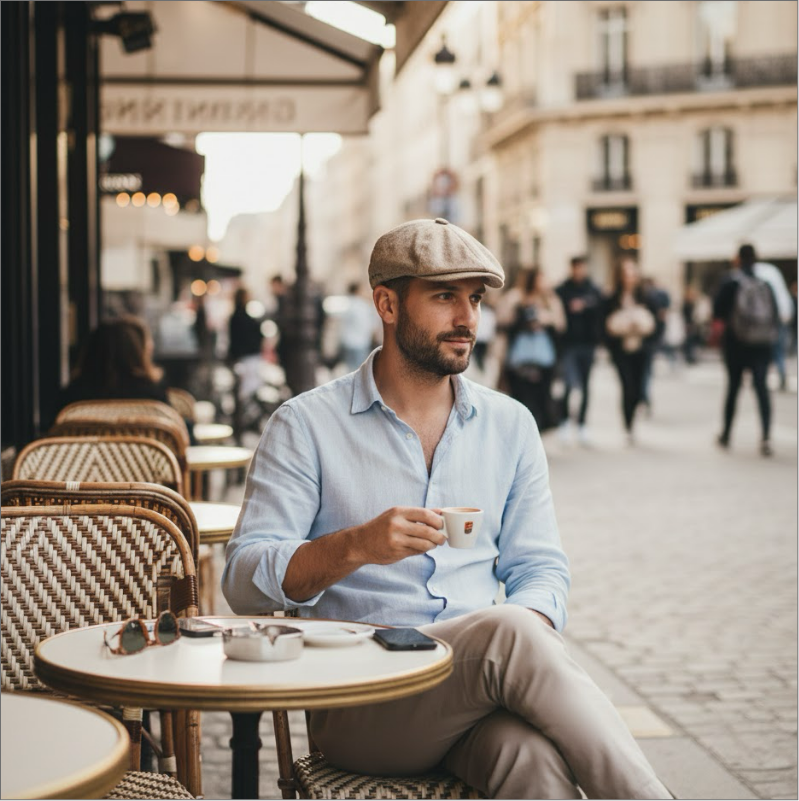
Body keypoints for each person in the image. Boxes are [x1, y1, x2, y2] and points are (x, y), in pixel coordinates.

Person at [223, 217, 671, 800]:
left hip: (472, 695)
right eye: (444, 297)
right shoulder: (306, 425)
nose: (468, 319)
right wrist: (356, 546)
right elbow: (242, 580)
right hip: (360, 701)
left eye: (475, 299)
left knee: (533, 761)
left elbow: (539, 569)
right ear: (387, 304)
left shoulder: (510, 425)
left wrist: (521, 647)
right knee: (509, 632)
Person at [713, 243, 779, 457]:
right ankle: (766, 436)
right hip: (761, 345)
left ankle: (726, 434)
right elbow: (776, 315)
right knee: (762, 390)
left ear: (738, 259)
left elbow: (718, 312)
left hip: (736, 345)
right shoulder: (765, 284)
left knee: (733, 389)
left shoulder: (730, 282)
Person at [603, 258, 659, 445]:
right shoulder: (612, 298)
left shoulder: (646, 297)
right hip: (621, 350)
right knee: (627, 386)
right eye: (626, 274)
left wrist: (644, 330)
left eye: (633, 273)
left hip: (642, 349)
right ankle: (628, 425)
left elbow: (657, 323)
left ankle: (633, 416)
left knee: (638, 387)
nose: (630, 278)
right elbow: (603, 325)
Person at [505, 267, 565, 433]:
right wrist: (522, 317)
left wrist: (546, 319)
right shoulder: (517, 297)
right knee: (521, 390)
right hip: (521, 350)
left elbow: (560, 325)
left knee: (542, 391)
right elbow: (505, 321)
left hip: (543, 351)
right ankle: (521, 426)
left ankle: (539, 425)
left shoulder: (550, 300)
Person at [555, 255, 603, 445]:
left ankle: (582, 424)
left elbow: (600, 312)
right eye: (576, 268)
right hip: (568, 345)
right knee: (568, 384)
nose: (579, 271)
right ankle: (565, 421)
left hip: (588, 344)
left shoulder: (593, 290)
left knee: (585, 385)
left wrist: (585, 306)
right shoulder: (562, 290)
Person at [751, 259, 793, 391]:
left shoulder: (760, 274)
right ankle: (780, 375)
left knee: (766, 351)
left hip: (768, 320)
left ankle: (762, 378)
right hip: (781, 316)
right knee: (778, 350)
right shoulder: (772, 272)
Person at [228, 286, 264, 400]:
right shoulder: (241, 317)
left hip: (246, 354)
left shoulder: (239, 316)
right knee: (248, 385)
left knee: (248, 384)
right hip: (247, 355)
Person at [339, 282, 379, 372]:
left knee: (349, 368)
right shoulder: (362, 306)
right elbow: (368, 325)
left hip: (347, 341)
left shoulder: (347, 304)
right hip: (360, 342)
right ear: (357, 291)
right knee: (359, 370)